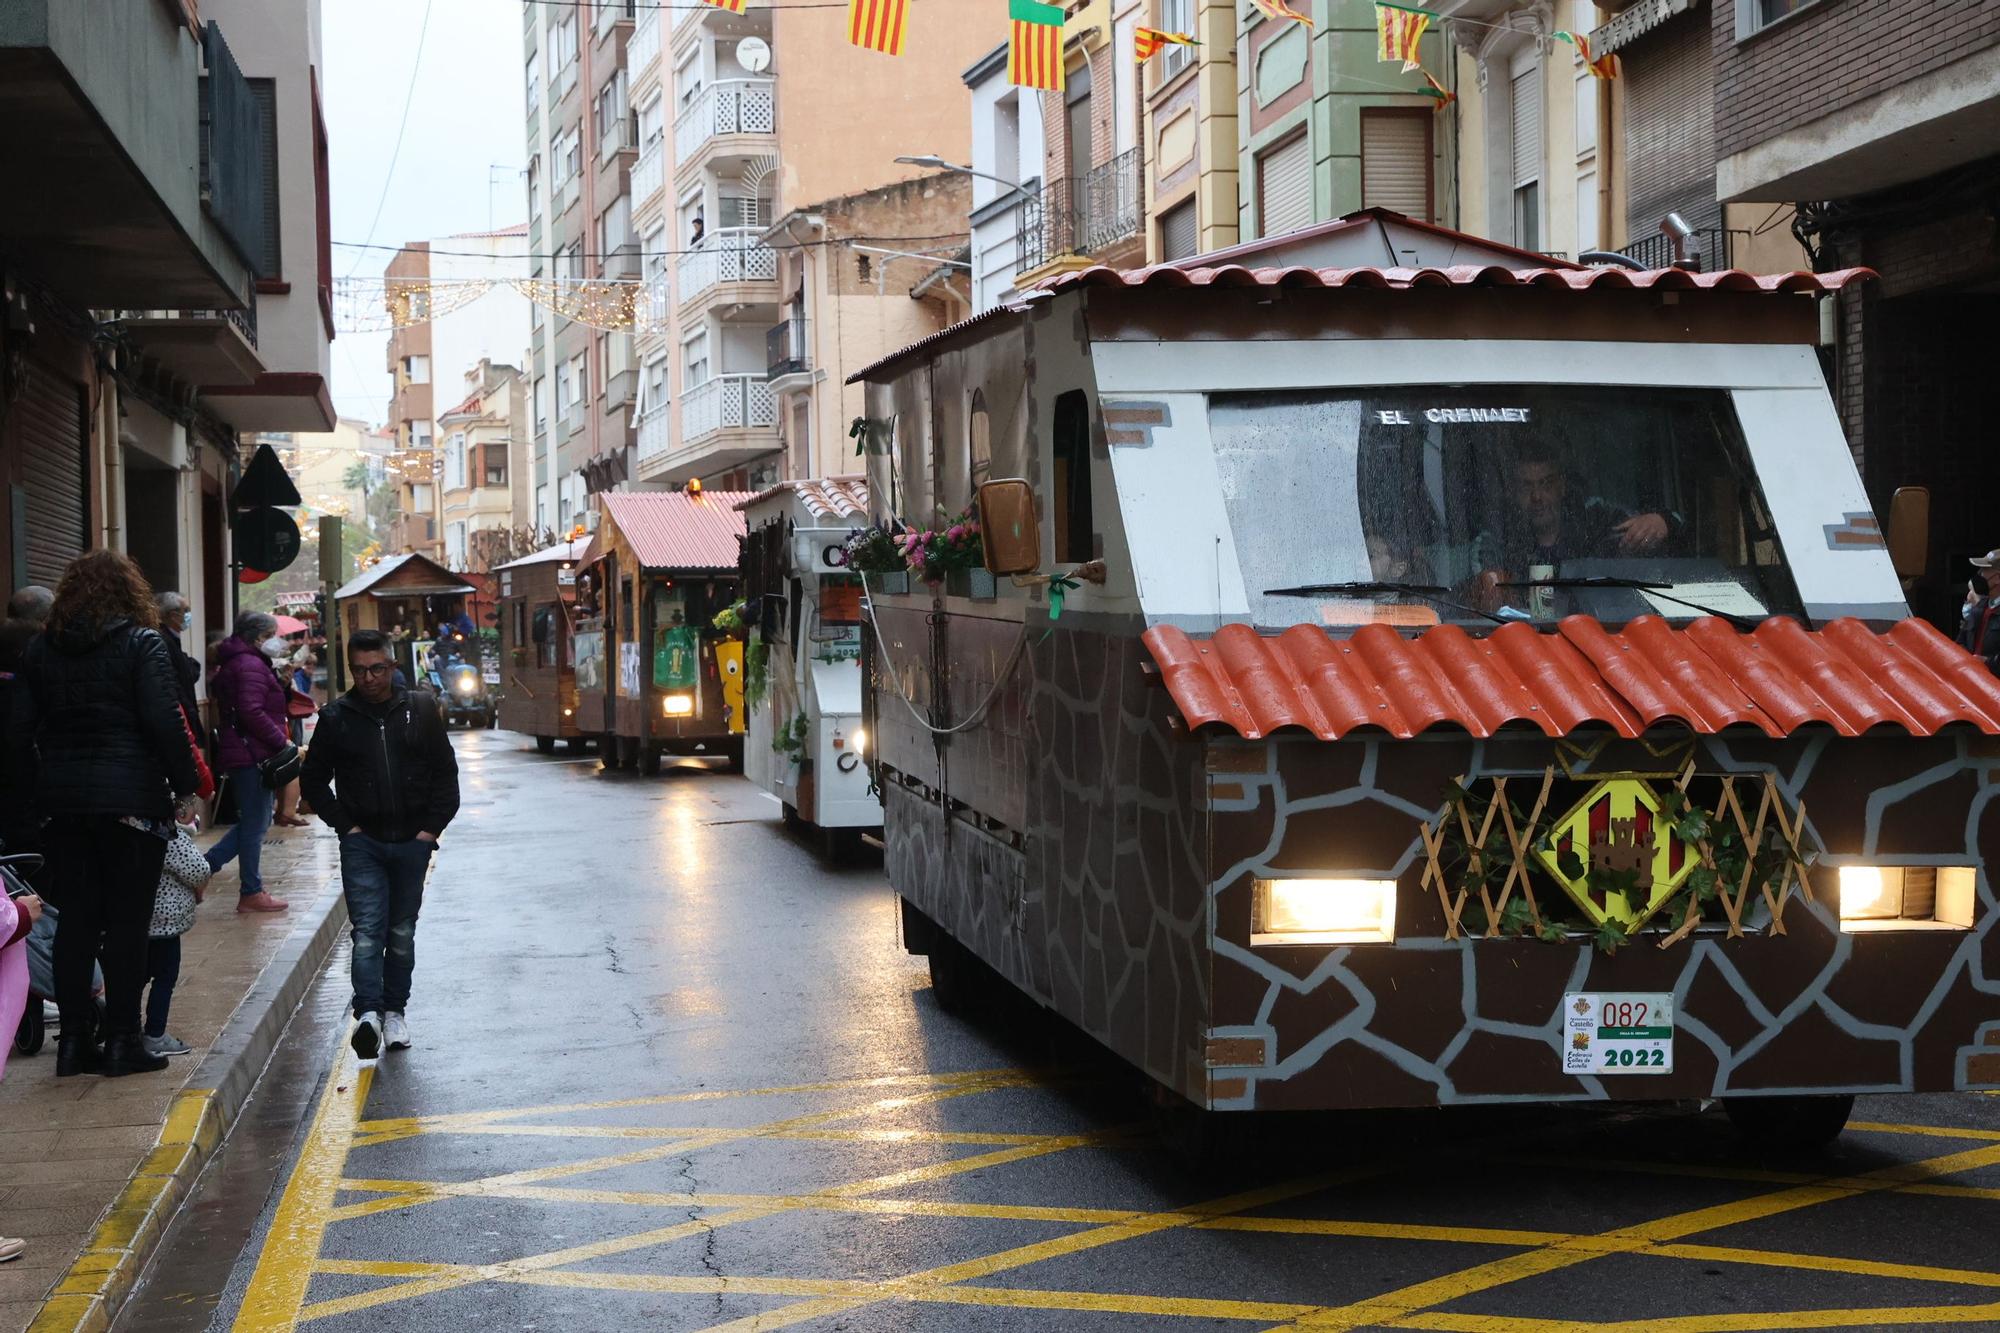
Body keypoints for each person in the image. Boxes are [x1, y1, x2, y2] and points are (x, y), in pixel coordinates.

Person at [8, 550, 200, 1077]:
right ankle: (122, 1041)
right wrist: (184, 785)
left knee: (77, 923)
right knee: (127, 926)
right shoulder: (143, 643)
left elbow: (17, 735)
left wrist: (30, 802)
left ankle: (72, 1044)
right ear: (130, 593)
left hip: (64, 810)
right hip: (131, 807)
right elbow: (165, 721)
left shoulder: (40, 650)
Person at [301, 629, 460, 1059]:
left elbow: (446, 774)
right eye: (359, 670)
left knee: (402, 933)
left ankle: (395, 1014)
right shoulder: (336, 717)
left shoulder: (421, 710)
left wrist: (430, 831)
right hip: (364, 844)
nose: (368, 678)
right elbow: (313, 781)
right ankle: (368, 1014)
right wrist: (345, 827)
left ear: (391, 666)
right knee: (368, 933)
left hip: (412, 842)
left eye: (376, 668)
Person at [206, 612, 293, 913]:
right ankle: (248, 889)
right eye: (272, 634)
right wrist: (281, 742)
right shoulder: (249, 664)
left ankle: (208, 870)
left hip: (246, 751)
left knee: (256, 821)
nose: (276, 641)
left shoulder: (245, 662)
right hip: (251, 753)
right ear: (258, 637)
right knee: (256, 823)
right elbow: (251, 711)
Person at [1476, 443, 1675, 573]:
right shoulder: (1499, 538)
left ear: (1562, 486)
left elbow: (1676, 524)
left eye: (1546, 484)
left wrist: (1662, 521)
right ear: (1513, 492)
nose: (1536, 497)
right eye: (1526, 486)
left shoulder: (1596, 518)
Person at [142, 820, 210, 1057]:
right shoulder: (168, 835)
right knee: (164, 978)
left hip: (135, 921)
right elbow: (199, 869)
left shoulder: (130, 828)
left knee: (135, 977)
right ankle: (155, 1034)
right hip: (164, 924)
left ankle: (122, 1031)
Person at [153, 592, 204, 745]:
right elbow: (185, 675)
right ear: (174, 616)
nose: (189, 615)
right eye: (186, 610)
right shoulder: (162, 641)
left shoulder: (170, 639)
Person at [1958, 550, 2000, 672]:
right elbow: (1961, 640)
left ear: (1998, 578)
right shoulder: (1979, 607)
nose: (1980, 574)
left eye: (1984, 570)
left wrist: (1988, 662)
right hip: (1971, 680)